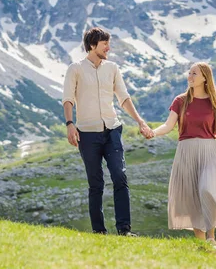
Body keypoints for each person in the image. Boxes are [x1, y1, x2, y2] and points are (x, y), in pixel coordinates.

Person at [62, 27, 154, 236]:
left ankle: (124, 230)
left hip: (112, 130)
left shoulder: (112, 68)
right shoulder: (75, 69)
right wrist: (69, 124)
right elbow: (68, 98)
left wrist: (140, 122)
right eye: (105, 44)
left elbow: (123, 97)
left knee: (120, 176)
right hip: (87, 133)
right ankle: (99, 231)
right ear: (93, 45)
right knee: (96, 183)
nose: (109, 48)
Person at [151, 62, 216, 245]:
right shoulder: (180, 101)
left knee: (208, 189)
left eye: (194, 73)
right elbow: (168, 125)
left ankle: (211, 237)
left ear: (205, 77)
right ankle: (202, 242)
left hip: (210, 151)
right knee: (192, 197)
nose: (190, 76)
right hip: (186, 152)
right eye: (189, 73)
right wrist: (153, 132)